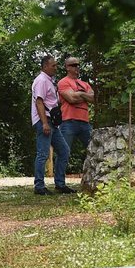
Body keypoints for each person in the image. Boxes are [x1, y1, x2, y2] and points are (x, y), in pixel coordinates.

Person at [31, 54, 74, 195]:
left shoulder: (49, 80)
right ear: (45, 66)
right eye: (53, 65)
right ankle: (39, 186)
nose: (56, 67)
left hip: (52, 123)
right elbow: (39, 102)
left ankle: (60, 184)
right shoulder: (41, 80)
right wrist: (44, 123)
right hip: (45, 121)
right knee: (43, 154)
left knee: (64, 151)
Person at [57, 57, 94, 187]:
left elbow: (93, 98)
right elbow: (71, 99)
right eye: (73, 65)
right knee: (64, 152)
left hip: (85, 122)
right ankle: (60, 184)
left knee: (93, 150)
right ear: (67, 67)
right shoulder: (63, 82)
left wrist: (79, 94)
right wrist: (84, 96)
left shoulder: (85, 83)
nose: (77, 67)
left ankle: (93, 180)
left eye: (78, 64)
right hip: (68, 121)